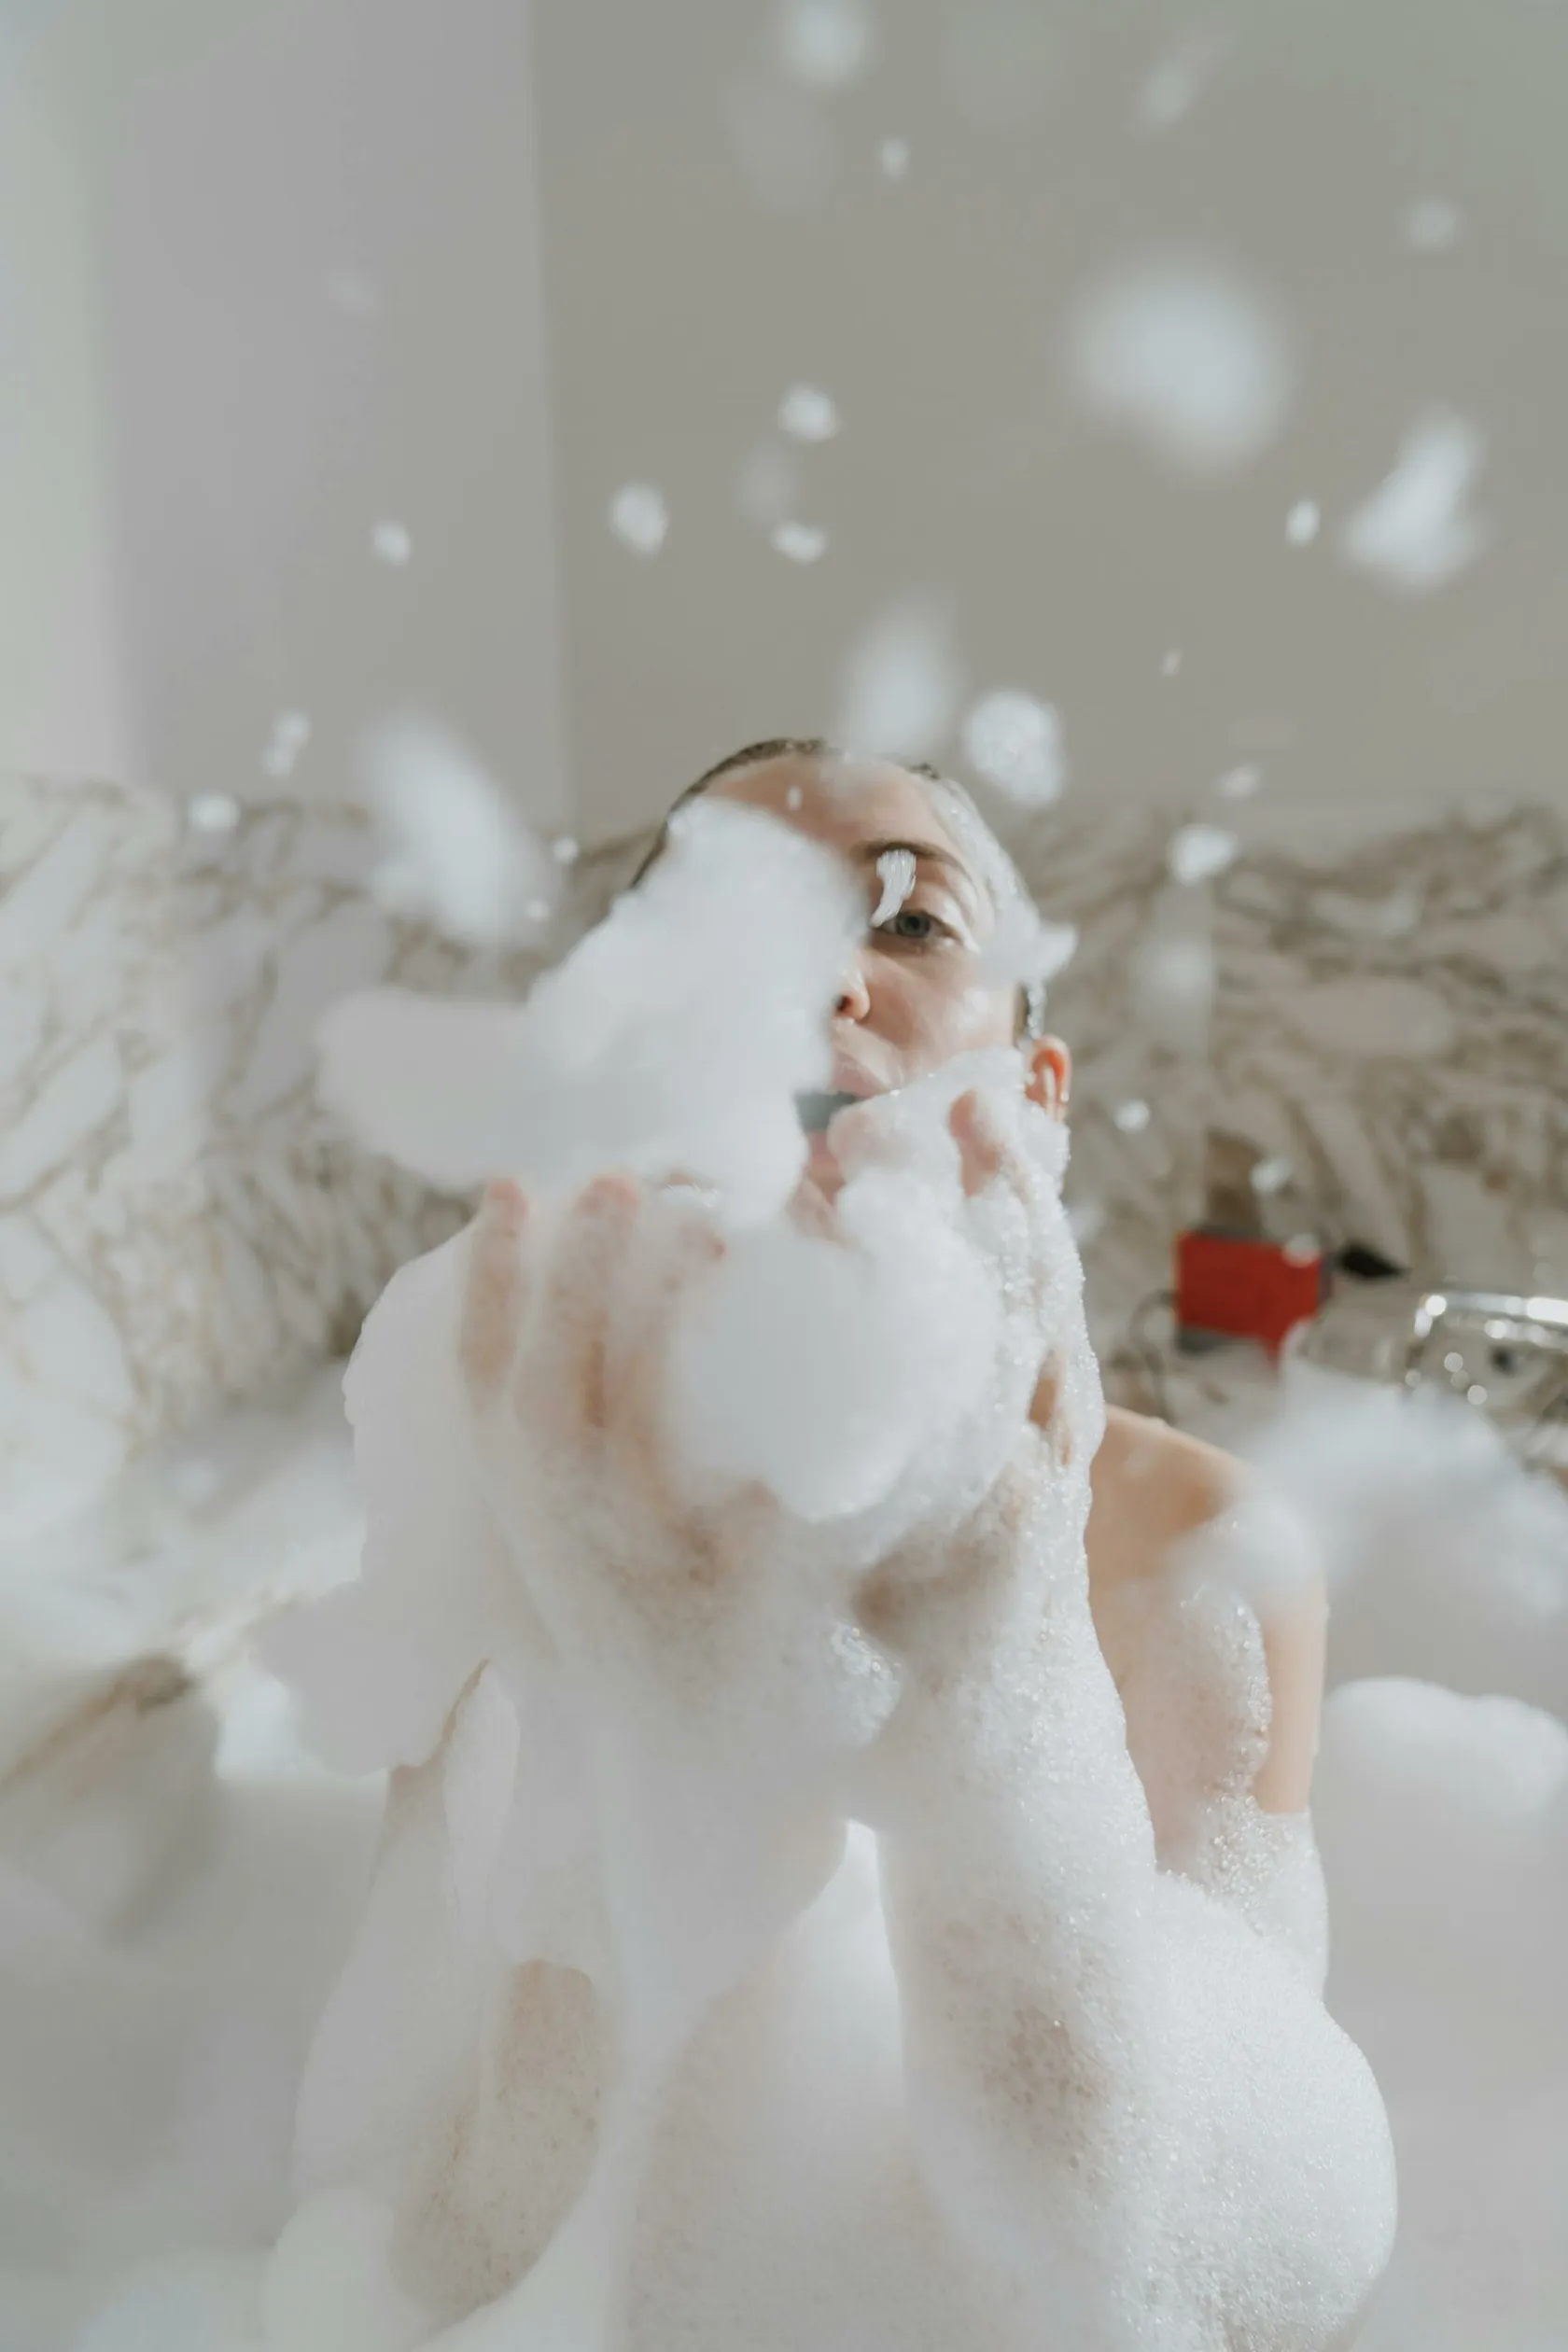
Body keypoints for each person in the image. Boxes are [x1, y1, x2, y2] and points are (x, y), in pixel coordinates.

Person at [632, 738, 1327, 1833]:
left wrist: (1009, 1631)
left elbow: (1225, 1995)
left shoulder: (1203, 1545)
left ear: (1037, 1094)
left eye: (913, 921)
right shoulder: (511, 1490)